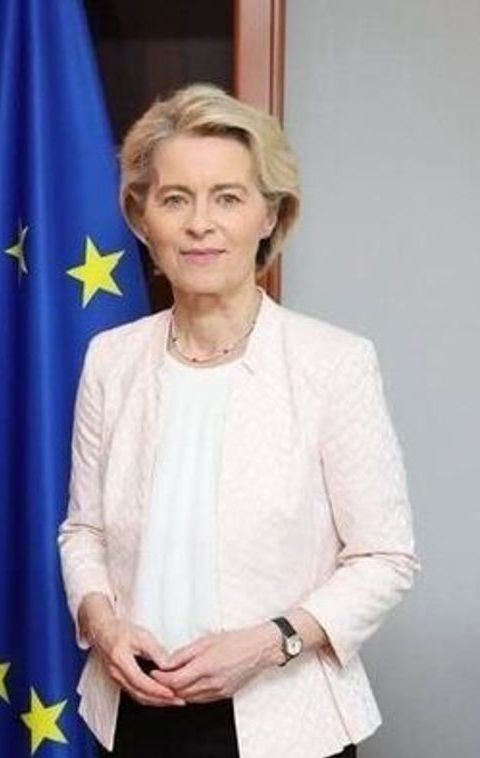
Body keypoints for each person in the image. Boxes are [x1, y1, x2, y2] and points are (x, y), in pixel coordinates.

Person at [57, 83, 419, 758]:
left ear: (268, 215)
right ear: (142, 218)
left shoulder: (333, 364)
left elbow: (384, 557)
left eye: (227, 197)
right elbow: (84, 531)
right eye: (175, 199)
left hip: (286, 723)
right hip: (132, 713)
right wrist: (105, 628)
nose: (200, 224)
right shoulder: (111, 359)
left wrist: (270, 642)